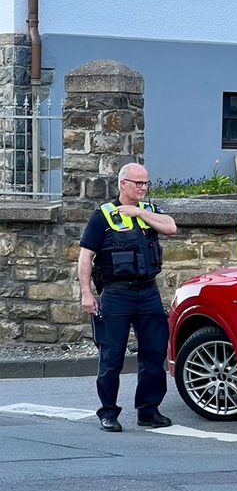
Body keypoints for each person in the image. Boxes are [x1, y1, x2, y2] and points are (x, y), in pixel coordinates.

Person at [77, 162, 178, 432]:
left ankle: (148, 410)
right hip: (116, 293)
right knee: (112, 357)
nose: (143, 188)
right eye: (138, 183)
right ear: (123, 184)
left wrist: (138, 212)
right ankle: (108, 412)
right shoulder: (103, 216)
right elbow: (85, 257)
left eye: (146, 183)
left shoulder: (149, 211)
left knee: (154, 353)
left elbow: (171, 227)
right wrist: (86, 293)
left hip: (148, 292)